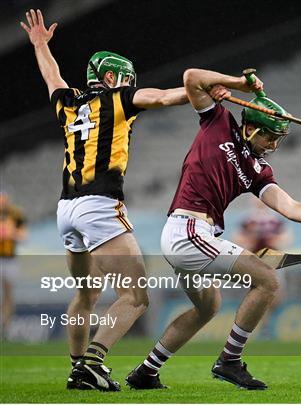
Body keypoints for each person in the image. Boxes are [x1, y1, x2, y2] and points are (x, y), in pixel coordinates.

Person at [125, 68, 301, 391]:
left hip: (195, 237)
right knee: (267, 279)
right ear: (250, 127)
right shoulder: (218, 121)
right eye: (270, 137)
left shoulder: (258, 171)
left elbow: (290, 207)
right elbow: (192, 76)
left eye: (279, 139)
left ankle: (146, 372)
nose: (274, 145)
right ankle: (230, 361)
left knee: (208, 307)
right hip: (188, 232)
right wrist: (238, 84)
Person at [21, 9, 189, 391]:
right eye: (125, 78)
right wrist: (200, 92)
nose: (130, 84)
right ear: (111, 78)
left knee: (86, 292)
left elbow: (52, 76)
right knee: (136, 295)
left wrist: (40, 46)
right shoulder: (119, 99)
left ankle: (77, 368)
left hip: (66, 209)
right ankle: (92, 364)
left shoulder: (69, 103)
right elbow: (163, 97)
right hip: (99, 206)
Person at [233, 196, 292, 338]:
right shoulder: (248, 220)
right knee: (257, 293)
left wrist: (271, 241)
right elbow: (238, 240)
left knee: (276, 296)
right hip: (254, 262)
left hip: (272, 262)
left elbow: (286, 239)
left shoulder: (275, 221)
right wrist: (252, 240)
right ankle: (254, 327)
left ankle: (264, 323)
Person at [0, 191, 27, 339]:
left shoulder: (15, 214)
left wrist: (12, 233)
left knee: (8, 295)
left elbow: (24, 235)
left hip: (10, 259)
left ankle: (6, 328)